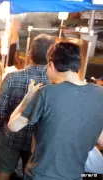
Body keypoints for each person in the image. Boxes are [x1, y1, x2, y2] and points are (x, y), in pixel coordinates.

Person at [8, 42, 103, 180]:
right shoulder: (100, 94)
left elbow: (13, 126)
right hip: (75, 176)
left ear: (51, 65)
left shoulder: (46, 93)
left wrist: (28, 97)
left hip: (41, 175)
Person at [0, 34, 55, 180]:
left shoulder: (12, 77)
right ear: (51, 59)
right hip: (38, 141)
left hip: (10, 136)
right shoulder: (54, 84)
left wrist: (5, 125)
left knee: (3, 172)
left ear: (29, 54)